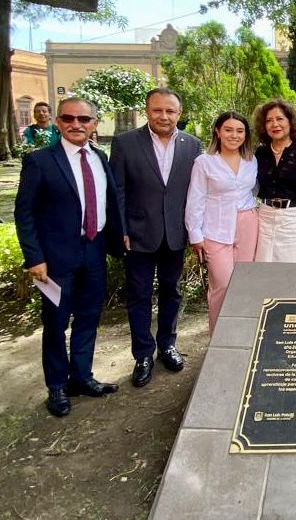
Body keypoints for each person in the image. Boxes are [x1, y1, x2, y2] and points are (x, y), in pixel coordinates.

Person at [14, 98, 123, 417]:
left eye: (84, 119)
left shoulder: (100, 158)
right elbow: (25, 213)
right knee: (56, 323)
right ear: (58, 123)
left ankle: (81, 377)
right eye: (69, 118)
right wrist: (34, 257)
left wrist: (119, 239)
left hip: (94, 251)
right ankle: (57, 386)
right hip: (55, 258)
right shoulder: (40, 161)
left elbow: (110, 204)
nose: (77, 124)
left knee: (89, 317)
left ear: (94, 123)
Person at [109, 88, 202, 388]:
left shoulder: (192, 145)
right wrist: (120, 228)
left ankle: (167, 345)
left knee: (172, 292)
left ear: (179, 113)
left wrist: (193, 230)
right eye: (157, 110)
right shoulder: (125, 143)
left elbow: (195, 192)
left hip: (176, 233)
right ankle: (143, 354)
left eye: (170, 111)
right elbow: (118, 190)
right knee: (138, 295)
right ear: (147, 111)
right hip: (138, 233)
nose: (164, 116)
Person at [185, 112, 259, 335]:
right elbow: (195, 199)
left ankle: (243, 333)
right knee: (223, 284)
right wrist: (195, 235)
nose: (234, 135)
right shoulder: (204, 162)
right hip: (215, 230)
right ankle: (219, 337)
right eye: (228, 130)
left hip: (247, 225)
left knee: (246, 283)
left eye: (240, 131)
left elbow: (254, 190)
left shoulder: (251, 160)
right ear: (217, 131)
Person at [253, 99, 296, 262]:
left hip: (294, 220)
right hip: (265, 217)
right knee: (263, 269)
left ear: (290, 121)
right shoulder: (261, 154)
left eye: (279, 119)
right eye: (269, 120)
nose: (274, 124)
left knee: (292, 271)